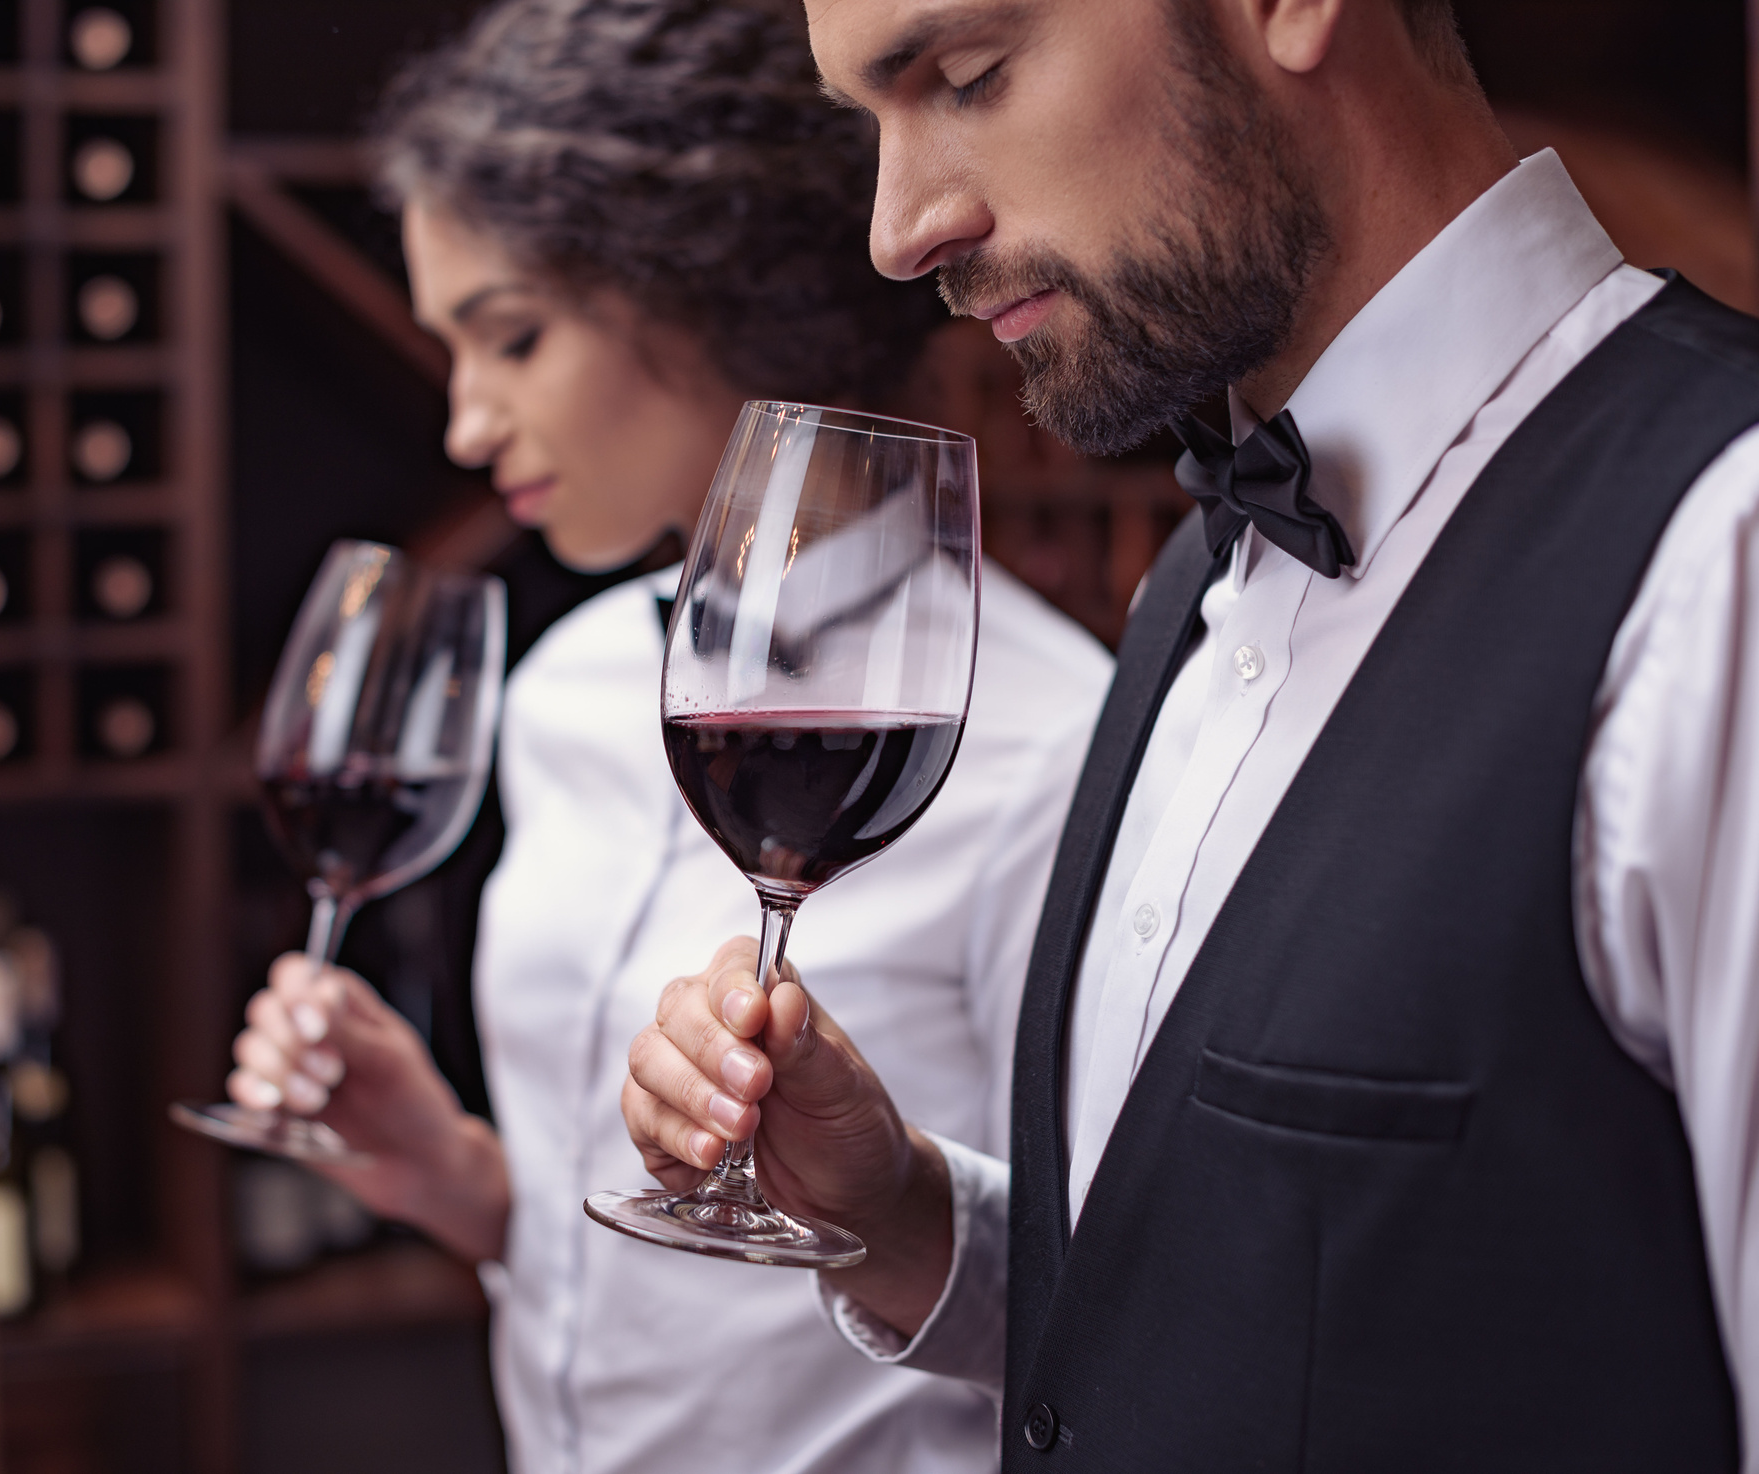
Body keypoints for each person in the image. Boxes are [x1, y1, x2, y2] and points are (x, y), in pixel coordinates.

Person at [623, 0, 1759, 1468]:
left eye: (967, 78)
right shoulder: (1199, 577)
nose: (897, 231)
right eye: (870, 124)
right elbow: (1266, 1323)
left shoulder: (1723, 560)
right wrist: (901, 1213)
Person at [223, 3, 1114, 1472]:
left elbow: (1123, 1326)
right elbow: (636, 1262)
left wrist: (882, 1206)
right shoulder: (565, 685)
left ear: (713, 290)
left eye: (510, 337)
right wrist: (454, 1177)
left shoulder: (1046, 752)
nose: (464, 422)